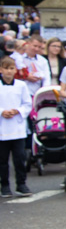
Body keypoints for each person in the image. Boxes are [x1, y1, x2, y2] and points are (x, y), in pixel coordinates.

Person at [0, 57, 32, 198]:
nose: (9, 71)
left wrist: (17, 111)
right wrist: (2, 111)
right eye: (6, 68)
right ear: (1, 70)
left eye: (11, 68)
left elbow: (27, 104)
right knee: (2, 160)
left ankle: (21, 183)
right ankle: (5, 185)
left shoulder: (21, 85)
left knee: (19, 158)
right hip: (2, 127)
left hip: (17, 128)